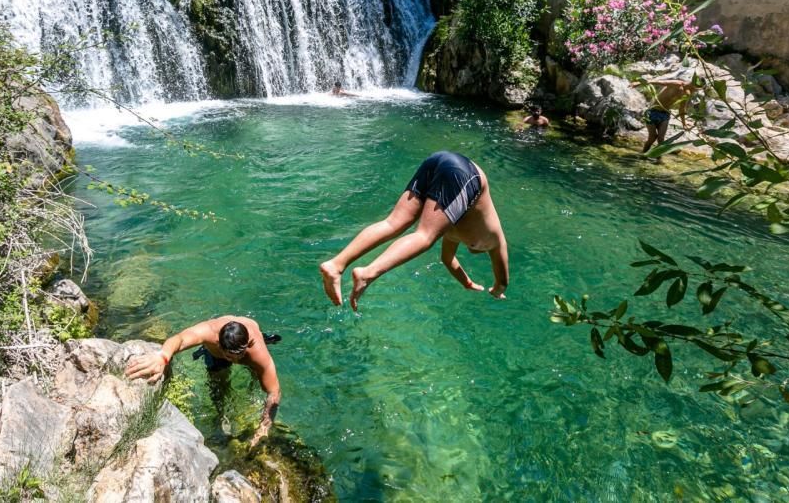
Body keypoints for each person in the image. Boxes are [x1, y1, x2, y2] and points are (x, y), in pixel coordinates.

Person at [319, 151, 509, 312]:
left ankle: (336, 265)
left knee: (394, 222)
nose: (471, 249)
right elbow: (502, 279)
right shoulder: (494, 241)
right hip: (466, 174)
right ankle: (367, 273)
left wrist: (466, 283)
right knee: (424, 236)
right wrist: (498, 290)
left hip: (440, 159)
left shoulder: (451, 232)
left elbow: (448, 259)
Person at [125, 316, 281, 448]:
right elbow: (179, 339)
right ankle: (221, 418)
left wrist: (263, 428)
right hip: (217, 354)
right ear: (218, 344)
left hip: (249, 349)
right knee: (217, 385)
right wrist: (162, 356)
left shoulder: (257, 351)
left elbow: (274, 391)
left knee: (259, 378)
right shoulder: (209, 332)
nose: (234, 360)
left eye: (237, 356)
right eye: (230, 357)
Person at [630, 76, 698, 153]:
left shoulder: (686, 94)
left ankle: (659, 160)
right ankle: (643, 155)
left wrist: (684, 124)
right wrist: (639, 83)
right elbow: (658, 81)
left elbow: (682, 109)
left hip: (665, 114)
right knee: (652, 137)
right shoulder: (677, 84)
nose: (695, 91)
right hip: (652, 112)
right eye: (696, 88)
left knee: (661, 139)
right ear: (692, 83)